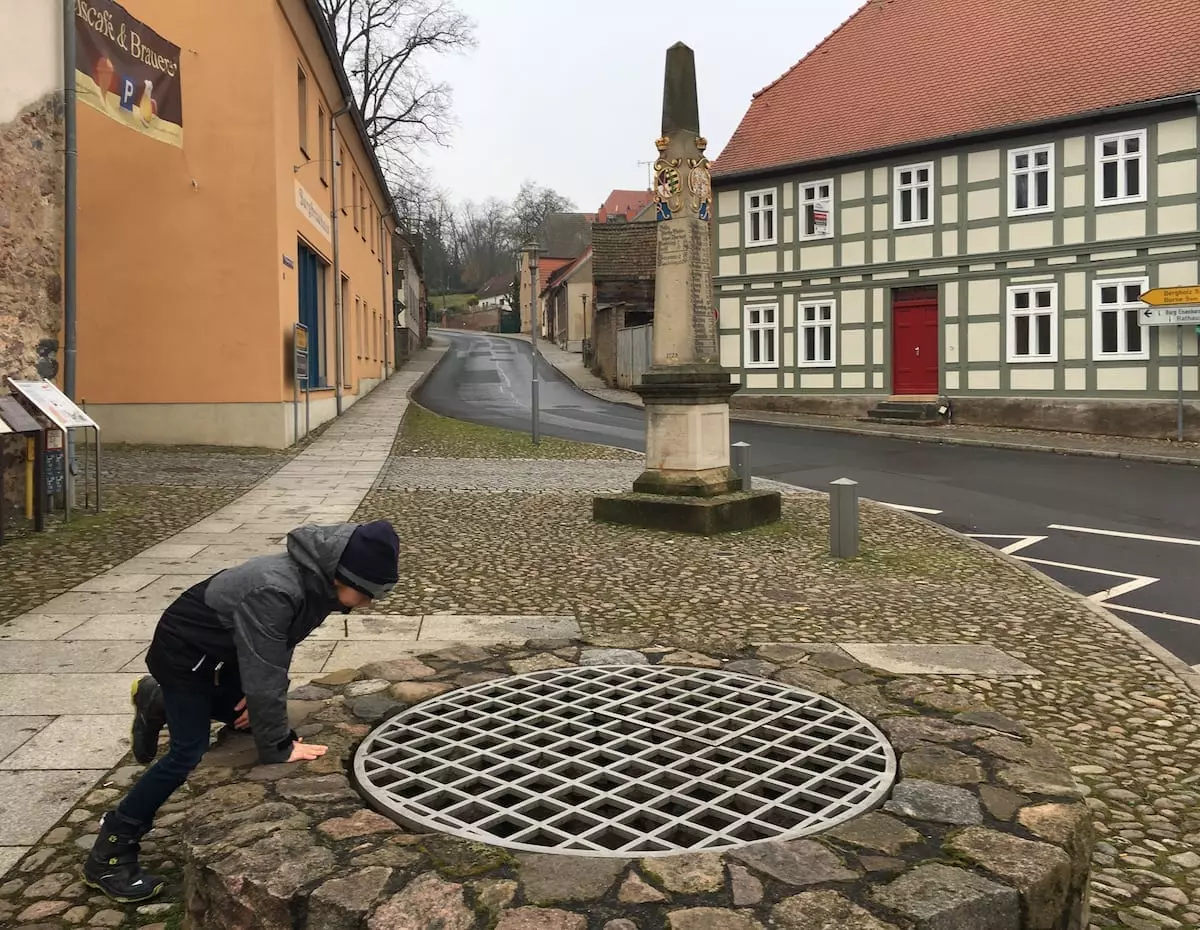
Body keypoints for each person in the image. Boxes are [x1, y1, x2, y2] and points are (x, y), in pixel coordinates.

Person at [82, 520, 400, 903]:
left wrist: (258, 696)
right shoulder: (276, 588)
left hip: (224, 647)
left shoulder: (316, 584)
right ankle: (112, 847)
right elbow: (266, 666)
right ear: (341, 575)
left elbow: (274, 650)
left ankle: (157, 700)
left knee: (244, 715)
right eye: (366, 592)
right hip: (185, 654)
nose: (370, 602)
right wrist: (279, 744)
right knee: (188, 750)